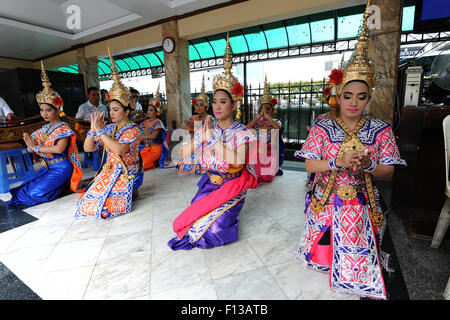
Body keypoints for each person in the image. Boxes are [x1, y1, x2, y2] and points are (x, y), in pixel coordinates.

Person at [294, 1, 407, 300]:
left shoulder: (380, 129)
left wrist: (368, 164)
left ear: (369, 97)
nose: (353, 103)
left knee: (358, 230)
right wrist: (337, 161)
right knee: (322, 258)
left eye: (361, 96)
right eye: (347, 96)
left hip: (361, 199)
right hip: (327, 199)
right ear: (337, 96)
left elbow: (389, 173)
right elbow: (308, 167)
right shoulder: (323, 127)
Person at [168, 34, 258, 250]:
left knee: (215, 230)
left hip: (231, 185)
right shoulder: (207, 128)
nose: (217, 106)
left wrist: (212, 140)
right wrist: (199, 138)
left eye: (223, 101)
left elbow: (238, 161)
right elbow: (179, 154)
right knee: (190, 226)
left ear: (234, 105)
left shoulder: (244, 133)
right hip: (209, 183)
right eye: (215, 101)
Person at [75, 48, 143, 219]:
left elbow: (119, 150)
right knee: (87, 201)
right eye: (110, 109)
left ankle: (133, 190)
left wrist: (100, 131)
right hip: (109, 171)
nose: (111, 113)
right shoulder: (109, 129)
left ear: (127, 111)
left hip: (127, 171)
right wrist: (92, 130)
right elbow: (88, 148)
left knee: (108, 206)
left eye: (115, 109)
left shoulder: (133, 129)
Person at [8, 61, 84, 206]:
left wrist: (36, 148)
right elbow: (32, 146)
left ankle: (61, 185)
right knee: (22, 190)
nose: (44, 114)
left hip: (62, 168)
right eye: (42, 110)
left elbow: (59, 149)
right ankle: (60, 187)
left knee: (32, 194)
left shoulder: (64, 128)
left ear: (57, 109)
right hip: (47, 167)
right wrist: (30, 144)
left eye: (48, 110)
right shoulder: (43, 129)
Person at [247, 74, 285, 183]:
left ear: (272, 110)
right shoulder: (258, 122)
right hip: (259, 152)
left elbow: (277, 128)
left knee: (267, 177)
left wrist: (267, 116)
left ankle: (274, 168)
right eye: (263, 109)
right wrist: (260, 116)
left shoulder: (276, 122)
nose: (265, 111)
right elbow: (248, 127)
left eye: (268, 109)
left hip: (271, 153)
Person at [178, 74, 209, 175]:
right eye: (197, 105)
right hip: (194, 142)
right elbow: (186, 130)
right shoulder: (193, 118)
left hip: (205, 143)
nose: (199, 107)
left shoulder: (209, 118)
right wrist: (190, 130)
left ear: (206, 107)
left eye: (201, 105)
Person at [139, 84, 172, 170]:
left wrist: (141, 136)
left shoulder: (158, 123)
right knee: (135, 162)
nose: (148, 112)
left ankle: (154, 162)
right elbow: (138, 131)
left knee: (142, 164)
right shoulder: (144, 123)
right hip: (146, 148)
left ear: (156, 111)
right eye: (148, 110)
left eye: (151, 110)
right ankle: (153, 163)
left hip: (156, 149)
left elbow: (153, 136)